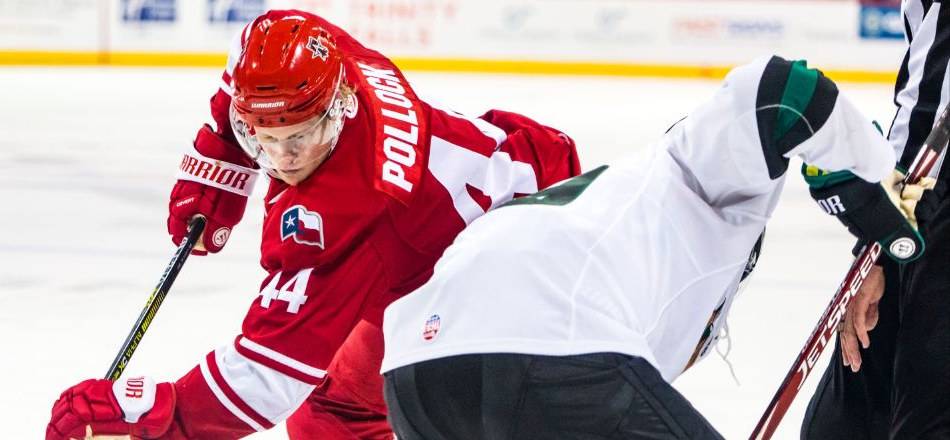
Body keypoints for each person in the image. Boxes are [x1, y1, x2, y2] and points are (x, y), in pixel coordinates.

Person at [45, 9, 581, 440]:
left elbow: (268, 376)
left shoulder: (343, 213)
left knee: (385, 413)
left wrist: (156, 412)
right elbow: (248, 60)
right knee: (334, 415)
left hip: (516, 257)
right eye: (263, 137)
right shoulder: (314, 54)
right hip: (514, 176)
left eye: (300, 136)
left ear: (338, 105)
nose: (283, 158)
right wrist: (222, 158)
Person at [379, 55, 929, 439]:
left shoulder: (615, 237)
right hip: (547, 343)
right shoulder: (692, 166)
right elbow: (780, 92)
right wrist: (871, 188)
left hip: (414, 382)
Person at [802, 0, 950, 438]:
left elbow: (931, 107)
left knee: (866, 406)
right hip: (926, 198)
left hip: (928, 201)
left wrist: (884, 241)